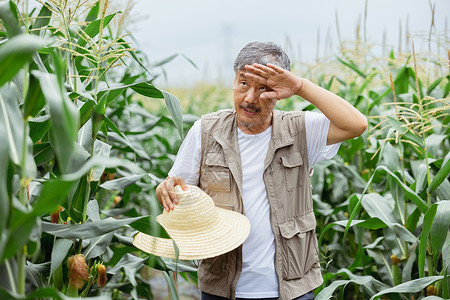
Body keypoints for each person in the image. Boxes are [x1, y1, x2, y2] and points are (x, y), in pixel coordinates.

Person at [156, 42, 367, 300]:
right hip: (221, 288)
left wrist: (300, 87)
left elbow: (356, 124)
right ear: (234, 82)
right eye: (243, 84)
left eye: (264, 88)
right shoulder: (205, 131)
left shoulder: (300, 130)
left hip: (291, 288)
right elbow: (177, 189)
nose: (250, 98)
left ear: (280, 92)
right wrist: (165, 190)